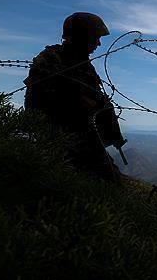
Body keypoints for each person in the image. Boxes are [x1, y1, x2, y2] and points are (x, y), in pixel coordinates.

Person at [24, 12, 125, 181]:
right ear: (81, 36)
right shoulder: (51, 60)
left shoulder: (83, 65)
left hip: (82, 137)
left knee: (110, 178)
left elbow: (98, 101)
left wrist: (112, 131)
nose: (99, 43)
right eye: (95, 38)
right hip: (57, 138)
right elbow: (49, 102)